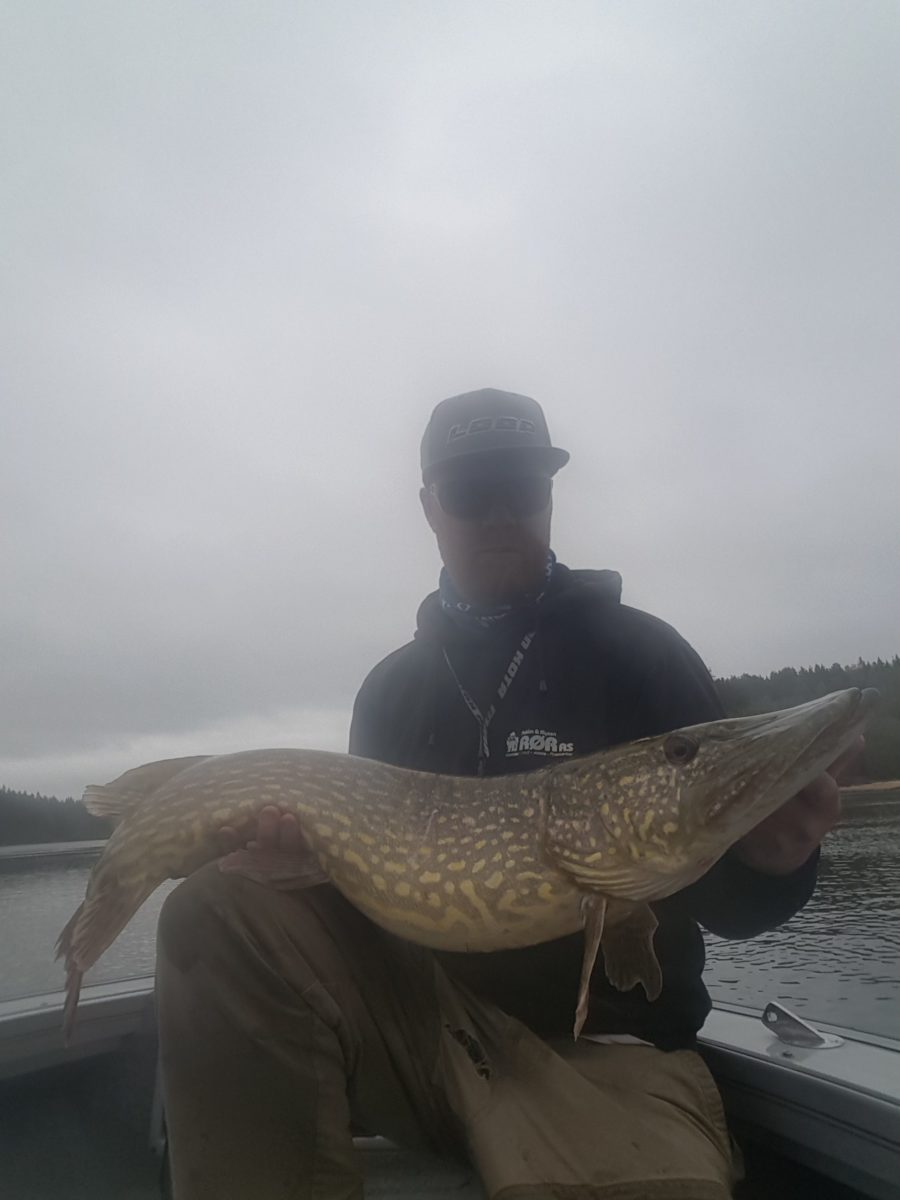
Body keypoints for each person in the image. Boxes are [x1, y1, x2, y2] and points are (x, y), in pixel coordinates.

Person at [156, 388, 850, 1200]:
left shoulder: (641, 654)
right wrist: (297, 864)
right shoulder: (390, 689)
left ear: (550, 496)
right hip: (421, 1035)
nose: (498, 514)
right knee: (215, 907)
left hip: (606, 1060)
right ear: (429, 508)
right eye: (469, 493)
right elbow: (371, 898)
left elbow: (728, 902)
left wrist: (776, 862)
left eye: (521, 490)